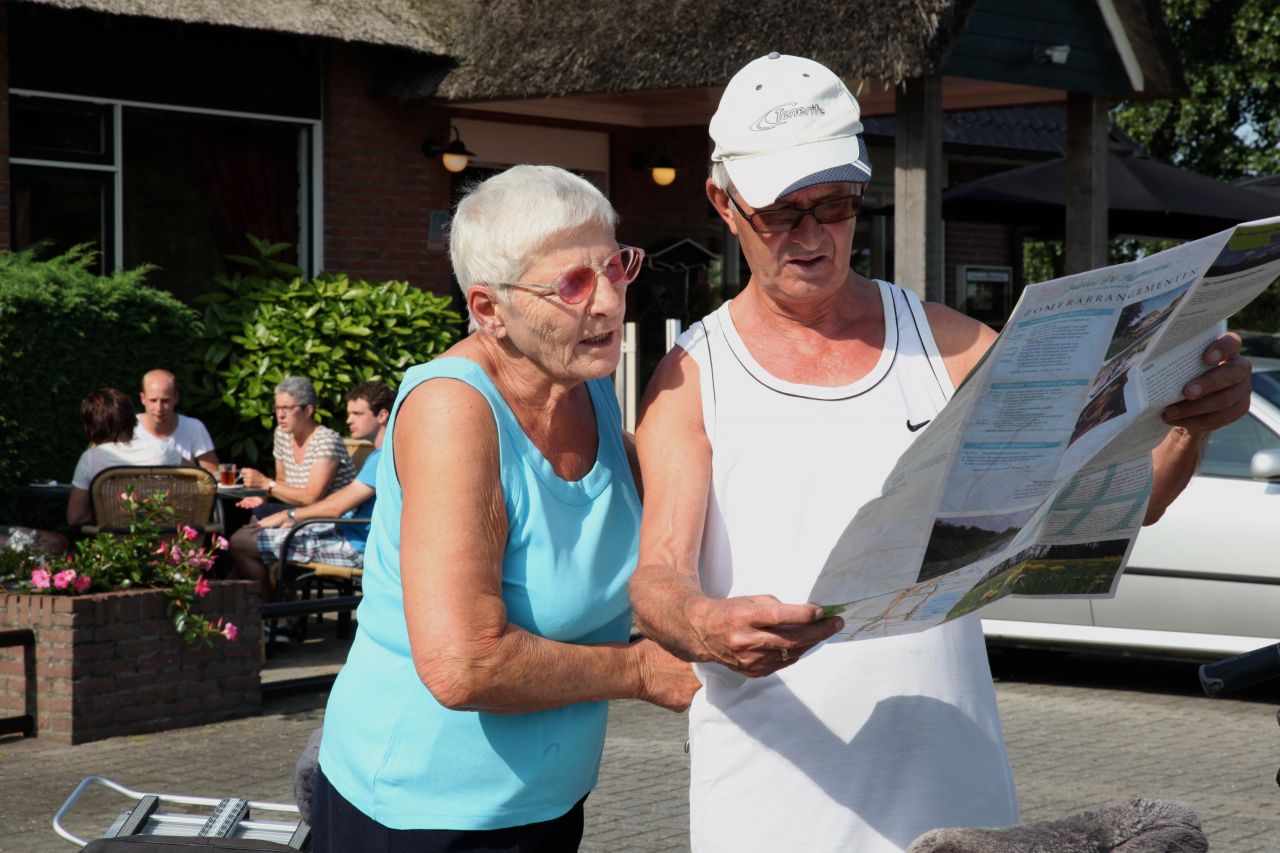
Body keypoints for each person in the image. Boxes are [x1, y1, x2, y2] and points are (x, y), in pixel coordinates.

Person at [627, 53, 1253, 852]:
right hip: (773, 805)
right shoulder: (693, 374)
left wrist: (1187, 427)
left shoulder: (948, 344)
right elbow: (656, 578)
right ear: (723, 201)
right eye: (783, 213)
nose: (815, 236)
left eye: (839, 204)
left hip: (959, 797)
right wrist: (706, 622)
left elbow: (1117, 499)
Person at [311, 165, 701, 852]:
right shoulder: (452, 411)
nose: (610, 301)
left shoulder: (588, 383)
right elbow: (465, 663)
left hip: (545, 802)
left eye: (614, 265)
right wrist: (640, 669)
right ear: (490, 310)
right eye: (574, 284)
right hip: (422, 815)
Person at [229, 381, 392, 599]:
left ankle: (274, 621)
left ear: (382, 416)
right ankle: (272, 616)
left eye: (357, 413)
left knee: (240, 542)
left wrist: (289, 515)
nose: (348, 420)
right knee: (252, 529)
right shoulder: (382, 454)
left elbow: (336, 507)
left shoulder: (383, 457)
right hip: (346, 531)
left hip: (356, 545)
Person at [66, 387, 183, 526]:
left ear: (91, 424)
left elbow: (75, 517)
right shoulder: (163, 449)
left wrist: (107, 511)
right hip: (163, 537)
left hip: (114, 543)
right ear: (131, 416)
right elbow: (199, 478)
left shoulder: (90, 458)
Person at [134, 368, 219, 474]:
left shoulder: (193, 427)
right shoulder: (127, 428)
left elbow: (213, 474)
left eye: (165, 401)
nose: (159, 408)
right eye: (153, 400)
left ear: (176, 397)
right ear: (143, 399)